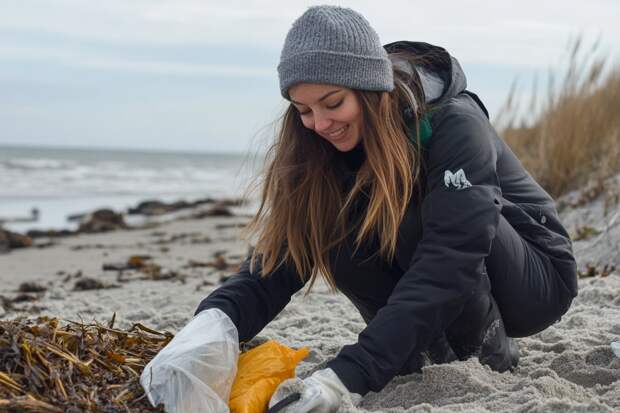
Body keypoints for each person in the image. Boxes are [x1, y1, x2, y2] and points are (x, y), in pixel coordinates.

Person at [141, 5, 578, 412]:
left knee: (413, 215)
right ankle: (414, 353)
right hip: (447, 266)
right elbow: (280, 261)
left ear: (372, 88)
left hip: (533, 275)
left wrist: (349, 375)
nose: (320, 124)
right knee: (322, 226)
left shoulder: (453, 123)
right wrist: (214, 323)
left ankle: (484, 352)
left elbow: (451, 256)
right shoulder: (315, 144)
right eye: (304, 110)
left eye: (333, 104)